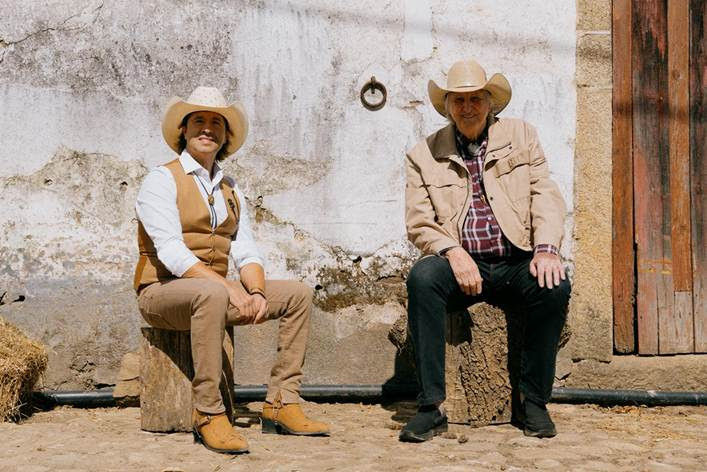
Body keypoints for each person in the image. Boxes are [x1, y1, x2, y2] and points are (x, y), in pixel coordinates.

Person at [134, 86, 329, 454]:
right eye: (198, 121)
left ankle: (282, 402)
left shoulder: (231, 189)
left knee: (298, 295)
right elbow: (172, 252)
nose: (207, 128)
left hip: (212, 294)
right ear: (184, 130)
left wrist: (255, 291)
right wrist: (228, 287)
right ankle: (208, 411)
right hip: (162, 294)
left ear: (225, 136)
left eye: (216, 123)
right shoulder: (161, 179)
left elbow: (245, 249)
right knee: (210, 292)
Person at [401, 60, 570, 442]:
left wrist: (546, 248)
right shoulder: (422, 155)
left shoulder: (522, 135)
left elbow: (544, 194)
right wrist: (452, 252)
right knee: (423, 279)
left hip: (516, 258)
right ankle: (430, 408)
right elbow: (419, 222)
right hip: (463, 262)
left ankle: (533, 401)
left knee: (554, 286)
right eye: (458, 100)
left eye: (475, 98)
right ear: (448, 106)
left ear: (490, 102)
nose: (467, 107)